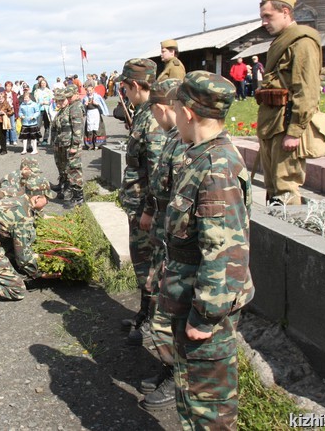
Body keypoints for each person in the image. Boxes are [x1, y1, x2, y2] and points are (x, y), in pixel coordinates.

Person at [161, 70, 253, 429]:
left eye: (176, 109)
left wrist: (205, 316)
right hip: (189, 296)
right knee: (191, 392)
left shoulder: (216, 167)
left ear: (187, 113)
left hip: (204, 307)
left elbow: (225, 251)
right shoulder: (200, 155)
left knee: (208, 406)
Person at [136, 78, 188, 411]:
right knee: (161, 305)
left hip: (177, 241)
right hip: (165, 234)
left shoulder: (185, 144)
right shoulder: (173, 137)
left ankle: (178, 378)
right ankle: (169, 368)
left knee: (171, 313)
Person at [256, 0, 323, 205]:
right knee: (272, 186)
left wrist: (294, 132)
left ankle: (287, 224)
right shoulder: (281, 41)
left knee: (285, 187)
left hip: (286, 124)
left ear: (285, 12)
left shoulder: (302, 42)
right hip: (272, 123)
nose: (264, 22)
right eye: (262, 17)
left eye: (268, 16)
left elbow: (307, 90)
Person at [116, 59, 166, 345]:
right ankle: (144, 313)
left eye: (125, 87)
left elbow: (158, 172)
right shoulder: (144, 112)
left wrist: (149, 210)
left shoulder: (153, 118)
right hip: (138, 204)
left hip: (146, 208)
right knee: (142, 264)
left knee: (150, 266)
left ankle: (153, 325)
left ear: (135, 84)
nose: (124, 93)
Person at [55, 85, 86, 208]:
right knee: (71, 169)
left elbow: (77, 129)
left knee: (75, 170)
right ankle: (73, 194)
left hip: (73, 145)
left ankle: (78, 197)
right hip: (67, 143)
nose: (68, 98)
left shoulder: (76, 107)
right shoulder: (72, 106)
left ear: (76, 94)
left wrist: (75, 145)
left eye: (69, 96)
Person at [82, 80, 110, 150]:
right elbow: (83, 109)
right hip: (89, 114)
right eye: (88, 91)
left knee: (97, 128)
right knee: (90, 129)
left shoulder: (97, 97)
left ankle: (98, 144)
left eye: (90, 90)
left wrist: (97, 104)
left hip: (96, 114)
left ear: (93, 90)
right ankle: (90, 144)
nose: (89, 92)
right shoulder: (85, 98)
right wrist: (85, 105)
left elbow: (101, 106)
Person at [18, 88, 41, 154]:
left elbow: (37, 112)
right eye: (24, 98)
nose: (25, 99)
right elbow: (20, 112)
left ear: (29, 98)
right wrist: (21, 116)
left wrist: (34, 116)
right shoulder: (22, 105)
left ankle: (35, 149)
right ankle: (24, 149)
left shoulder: (34, 104)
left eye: (27, 98)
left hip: (32, 123)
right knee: (24, 137)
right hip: (25, 123)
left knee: (33, 137)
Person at [0, 91, 14, 155]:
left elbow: (11, 111)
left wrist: (5, 113)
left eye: (2, 98)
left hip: (4, 121)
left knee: (3, 135)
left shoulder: (6, 104)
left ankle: (4, 149)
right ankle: (2, 148)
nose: (0, 99)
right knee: (0, 135)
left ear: (4, 98)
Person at [34, 78, 53, 144]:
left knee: (47, 125)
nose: (43, 84)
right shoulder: (37, 91)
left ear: (46, 84)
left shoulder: (49, 91)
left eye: (44, 83)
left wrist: (47, 103)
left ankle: (45, 139)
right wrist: (40, 103)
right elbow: (35, 100)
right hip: (39, 109)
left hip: (47, 109)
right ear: (40, 84)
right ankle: (37, 139)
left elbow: (52, 100)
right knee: (38, 125)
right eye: (42, 83)